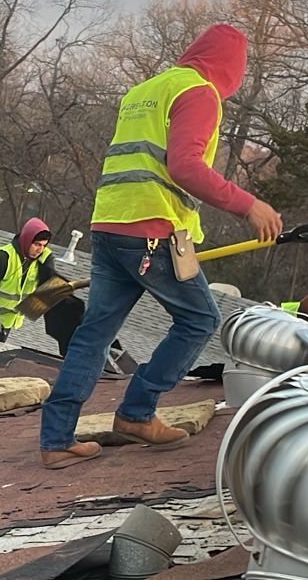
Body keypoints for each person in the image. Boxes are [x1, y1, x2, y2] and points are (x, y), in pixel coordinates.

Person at [39, 23, 284, 466]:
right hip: (151, 230)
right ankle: (136, 412)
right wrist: (249, 205)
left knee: (93, 334)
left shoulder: (146, 90)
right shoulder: (199, 92)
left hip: (110, 223)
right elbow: (186, 167)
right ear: (232, 68)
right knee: (200, 319)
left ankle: (56, 441)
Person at [0, 217, 85, 357]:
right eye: (37, 244)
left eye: (44, 245)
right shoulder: (4, 257)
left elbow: (47, 290)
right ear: (26, 239)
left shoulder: (44, 258)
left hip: (7, 320)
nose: (40, 250)